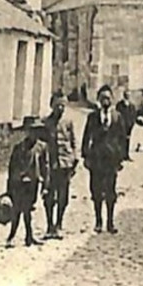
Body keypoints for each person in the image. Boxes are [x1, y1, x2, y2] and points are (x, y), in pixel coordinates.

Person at [81, 84, 126, 234]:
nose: (105, 100)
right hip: (97, 159)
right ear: (98, 100)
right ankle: (98, 221)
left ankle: (110, 222)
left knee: (111, 191)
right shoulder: (92, 116)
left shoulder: (117, 117)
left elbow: (122, 138)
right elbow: (86, 137)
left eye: (108, 98)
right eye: (102, 98)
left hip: (111, 160)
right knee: (96, 191)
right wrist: (85, 156)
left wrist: (121, 158)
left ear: (112, 99)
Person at [5, 120, 49, 249]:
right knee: (17, 210)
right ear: (27, 131)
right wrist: (9, 187)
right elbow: (12, 168)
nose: (34, 134)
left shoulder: (42, 147)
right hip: (19, 184)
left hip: (33, 183)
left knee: (28, 209)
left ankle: (29, 236)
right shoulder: (19, 147)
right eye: (31, 130)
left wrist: (46, 185)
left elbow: (45, 167)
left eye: (37, 130)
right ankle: (11, 236)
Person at [41, 91, 78, 239]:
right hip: (50, 166)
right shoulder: (46, 123)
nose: (61, 109)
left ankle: (59, 224)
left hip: (65, 164)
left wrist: (75, 159)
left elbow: (73, 141)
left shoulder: (68, 122)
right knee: (49, 197)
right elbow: (42, 145)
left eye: (63, 105)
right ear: (52, 105)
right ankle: (49, 225)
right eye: (58, 105)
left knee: (63, 197)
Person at [115, 88, 136, 161]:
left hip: (129, 126)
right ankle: (120, 155)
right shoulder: (119, 105)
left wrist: (132, 123)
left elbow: (133, 115)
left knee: (127, 140)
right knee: (121, 140)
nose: (128, 96)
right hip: (121, 125)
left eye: (129, 95)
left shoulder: (132, 106)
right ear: (124, 95)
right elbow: (117, 114)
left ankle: (126, 155)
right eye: (126, 94)